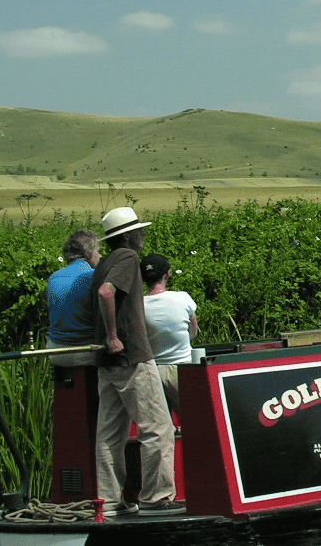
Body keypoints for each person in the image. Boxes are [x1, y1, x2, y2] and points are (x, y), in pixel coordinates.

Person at [82, 207, 185, 517]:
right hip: (131, 356)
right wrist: (115, 335)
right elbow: (106, 292)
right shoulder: (127, 258)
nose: (143, 235)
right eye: (139, 231)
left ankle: (109, 502)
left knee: (109, 434)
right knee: (157, 428)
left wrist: (107, 339)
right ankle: (156, 498)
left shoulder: (102, 263)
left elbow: (100, 291)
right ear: (127, 236)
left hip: (106, 362)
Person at [141, 253, 197, 413]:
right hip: (182, 370)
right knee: (191, 421)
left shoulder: (137, 305)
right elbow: (192, 333)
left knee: (158, 428)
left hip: (151, 372)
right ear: (168, 274)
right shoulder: (183, 298)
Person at [45, 230, 99, 367]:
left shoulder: (54, 277)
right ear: (89, 253)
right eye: (97, 251)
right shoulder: (93, 276)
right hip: (86, 352)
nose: (100, 255)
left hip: (56, 350)